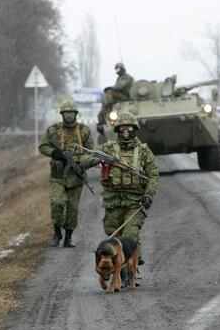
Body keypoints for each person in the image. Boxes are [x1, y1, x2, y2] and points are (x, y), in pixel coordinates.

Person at [83, 112, 158, 266]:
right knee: (114, 235)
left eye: (129, 126)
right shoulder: (108, 148)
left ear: (134, 128)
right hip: (113, 202)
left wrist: (149, 195)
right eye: (122, 126)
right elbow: (84, 159)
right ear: (117, 129)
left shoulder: (144, 151)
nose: (126, 130)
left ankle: (130, 269)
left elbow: (153, 175)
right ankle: (123, 267)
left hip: (135, 203)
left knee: (130, 235)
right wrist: (97, 159)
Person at [39, 100, 95, 248]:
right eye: (66, 113)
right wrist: (54, 153)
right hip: (57, 177)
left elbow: (92, 152)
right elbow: (42, 146)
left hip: (75, 178)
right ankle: (57, 232)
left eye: (71, 113)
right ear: (62, 114)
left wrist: (82, 164)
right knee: (57, 203)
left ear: (76, 114)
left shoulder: (84, 131)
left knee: (72, 209)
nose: (69, 116)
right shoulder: (53, 130)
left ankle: (68, 237)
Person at [96, 62, 134, 134]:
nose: (117, 70)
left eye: (118, 69)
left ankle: (108, 106)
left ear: (122, 69)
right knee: (106, 94)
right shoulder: (120, 78)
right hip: (120, 95)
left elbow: (120, 86)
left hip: (126, 96)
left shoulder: (126, 77)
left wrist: (112, 88)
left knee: (109, 92)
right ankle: (105, 110)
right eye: (116, 69)